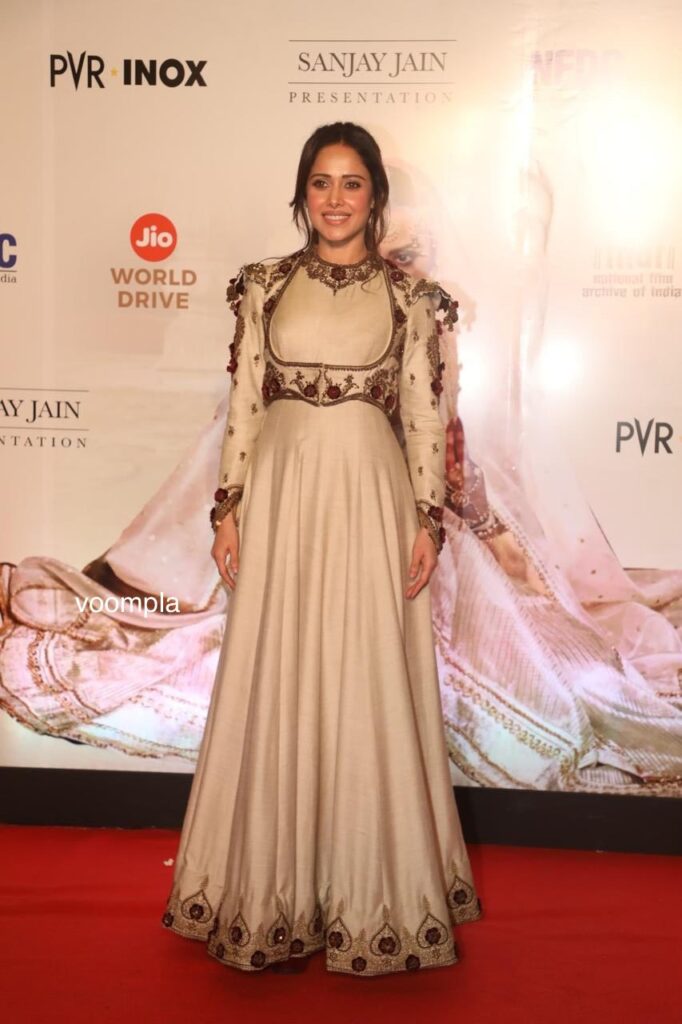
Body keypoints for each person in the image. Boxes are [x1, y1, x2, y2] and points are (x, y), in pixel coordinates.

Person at [160, 122, 483, 976]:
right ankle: (270, 892)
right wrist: (228, 509)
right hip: (280, 500)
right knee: (275, 671)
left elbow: (424, 418)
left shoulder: (413, 299)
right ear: (303, 194)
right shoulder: (264, 286)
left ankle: (371, 894)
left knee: (366, 677)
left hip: (371, 503)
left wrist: (427, 520)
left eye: (351, 183)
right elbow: (244, 406)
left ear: (375, 197)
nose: (335, 199)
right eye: (321, 182)